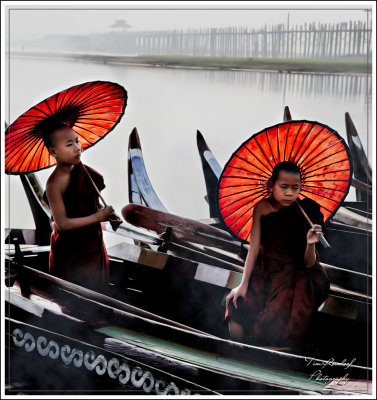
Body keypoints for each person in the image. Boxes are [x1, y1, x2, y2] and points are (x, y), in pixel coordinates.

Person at [225, 161, 330, 348]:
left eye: (295, 188)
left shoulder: (308, 211)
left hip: (296, 274)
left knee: (275, 319)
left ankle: (268, 361)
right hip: (265, 269)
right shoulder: (261, 207)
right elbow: (255, 248)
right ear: (271, 185)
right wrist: (243, 283)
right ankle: (236, 356)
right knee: (237, 302)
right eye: (284, 187)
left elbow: (308, 263)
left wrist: (310, 243)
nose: (289, 193)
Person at [42, 121, 114, 292]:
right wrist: (98, 217)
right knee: (77, 301)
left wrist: (107, 214)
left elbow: (91, 202)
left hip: (93, 244)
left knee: (99, 297)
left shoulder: (82, 170)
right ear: (53, 152)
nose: (77, 148)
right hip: (71, 252)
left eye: (77, 141)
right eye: (69, 144)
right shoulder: (54, 184)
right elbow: (63, 225)